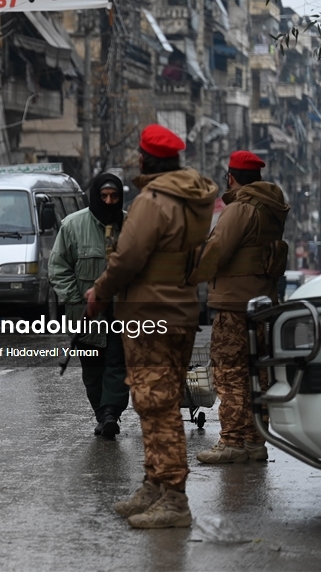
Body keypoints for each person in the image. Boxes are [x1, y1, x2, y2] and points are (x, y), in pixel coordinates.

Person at [85, 124, 218, 529]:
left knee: (156, 405)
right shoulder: (196, 201)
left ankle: (173, 499)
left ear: (145, 159)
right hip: (179, 311)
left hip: (149, 315)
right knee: (157, 399)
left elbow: (126, 259)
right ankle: (154, 485)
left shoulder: (153, 201)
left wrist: (101, 292)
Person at [193, 151, 288, 464]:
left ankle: (233, 441)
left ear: (230, 177)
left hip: (234, 307)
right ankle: (254, 440)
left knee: (230, 374)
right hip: (263, 306)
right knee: (257, 376)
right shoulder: (272, 208)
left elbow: (213, 255)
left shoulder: (240, 209)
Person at [48, 173, 129, 439]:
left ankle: (110, 414)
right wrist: (76, 298)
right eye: (103, 196)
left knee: (117, 366)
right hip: (86, 315)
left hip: (122, 315)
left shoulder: (130, 226)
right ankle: (101, 412)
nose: (108, 201)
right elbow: (58, 267)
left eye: (114, 196)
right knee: (93, 370)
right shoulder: (72, 226)